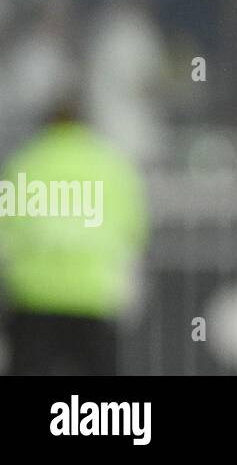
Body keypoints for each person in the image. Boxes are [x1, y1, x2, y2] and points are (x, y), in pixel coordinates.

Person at [0, 105, 149, 375]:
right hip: (94, 295)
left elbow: (6, 231)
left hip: (33, 295)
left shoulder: (24, 163)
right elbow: (134, 230)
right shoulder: (111, 166)